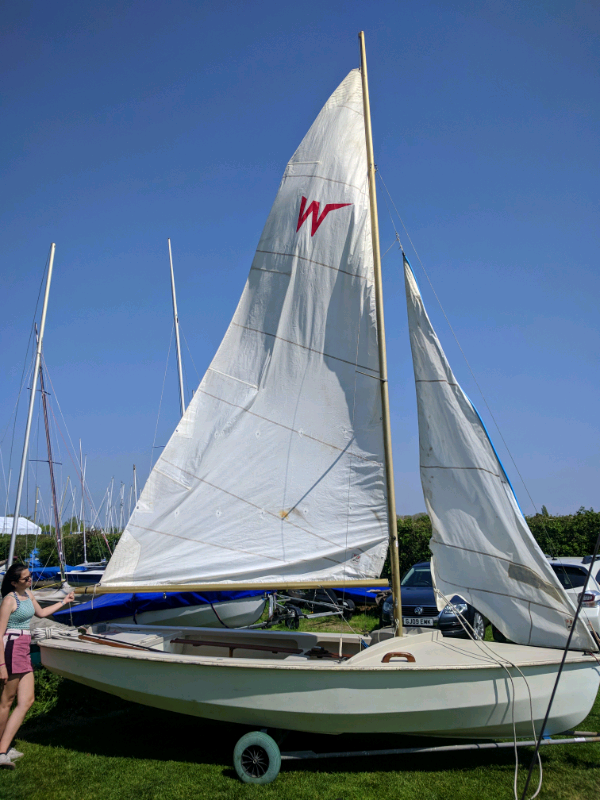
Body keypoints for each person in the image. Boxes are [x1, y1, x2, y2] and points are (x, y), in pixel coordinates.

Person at [0, 563, 75, 769]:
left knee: (27, 700)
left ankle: (3, 748)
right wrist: (1, 665)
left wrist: (64, 601)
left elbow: (41, 614)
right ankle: (0, 750)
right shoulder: (9, 600)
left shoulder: (28, 595)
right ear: (14, 582)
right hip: (12, 647)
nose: (30, 580)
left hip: (23, 646)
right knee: (7, 701)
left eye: (30, 576)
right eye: (25, 578)